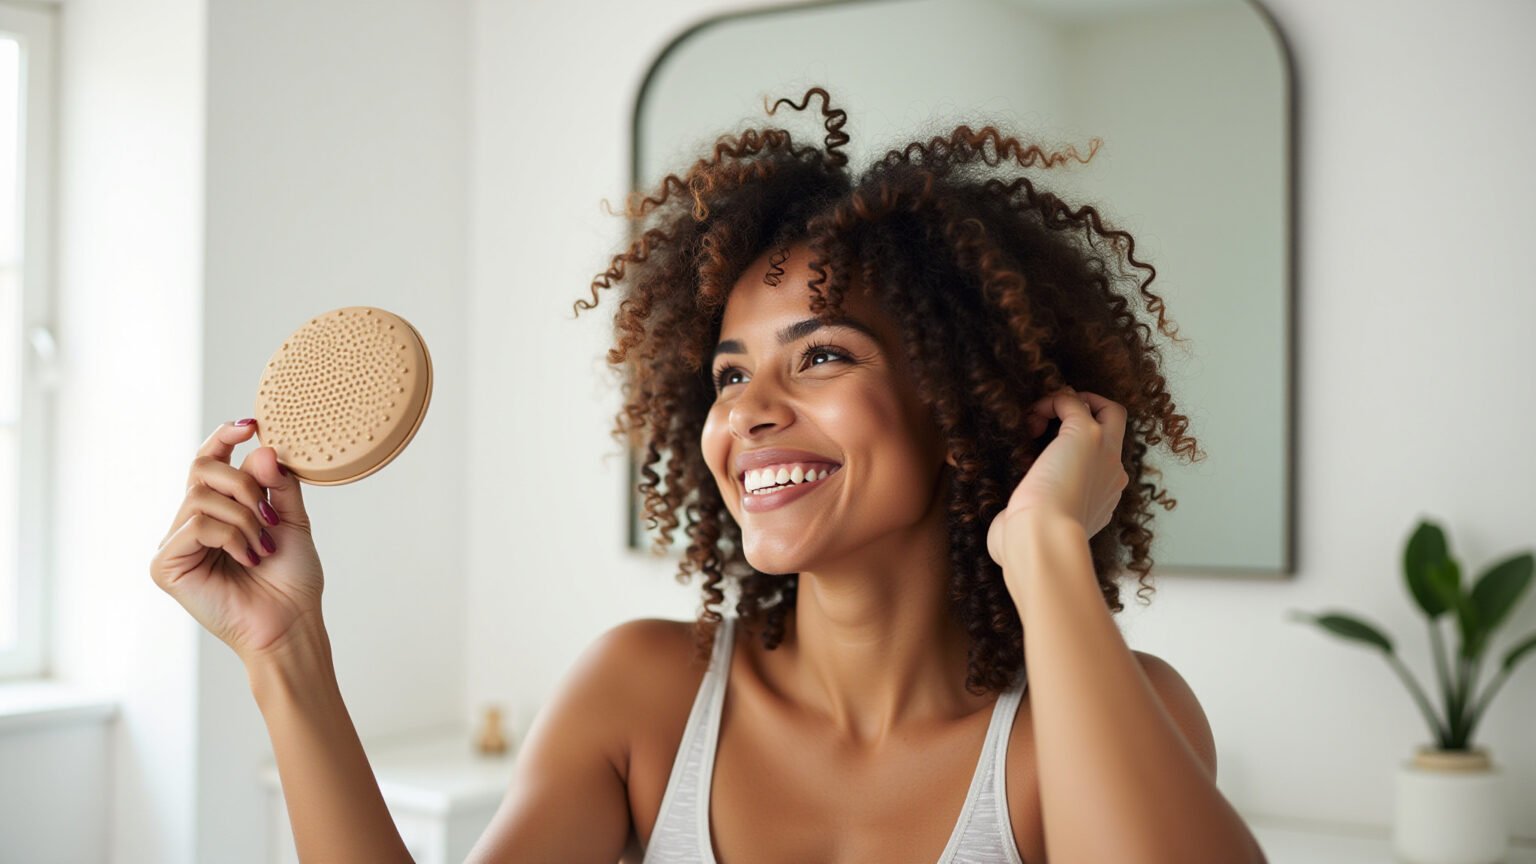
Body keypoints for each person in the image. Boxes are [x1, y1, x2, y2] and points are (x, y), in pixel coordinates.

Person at [150, 86, 1266, 863]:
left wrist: (1046, 551)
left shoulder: (1101, 717)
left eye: (823, 355)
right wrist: (284, 655)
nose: (750, 414)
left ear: (964, 397)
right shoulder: (645, 697)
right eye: (730, 376)